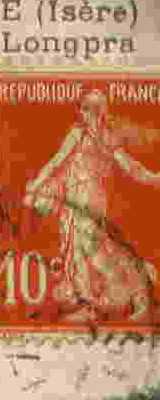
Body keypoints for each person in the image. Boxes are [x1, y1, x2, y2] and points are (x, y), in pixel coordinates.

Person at [24, 88, 160, 324]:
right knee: (78, 251)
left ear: (99, 111)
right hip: (74, 197)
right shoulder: (78, 134)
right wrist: (37, 183)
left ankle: (140, 294)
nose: (84, 113)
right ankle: (90, 305)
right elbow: (57, 161)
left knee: (96, 249)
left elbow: (130, 167)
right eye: (83, 108)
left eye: (88, 108)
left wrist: (153, 178)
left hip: (93, 198)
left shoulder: (107, 137)